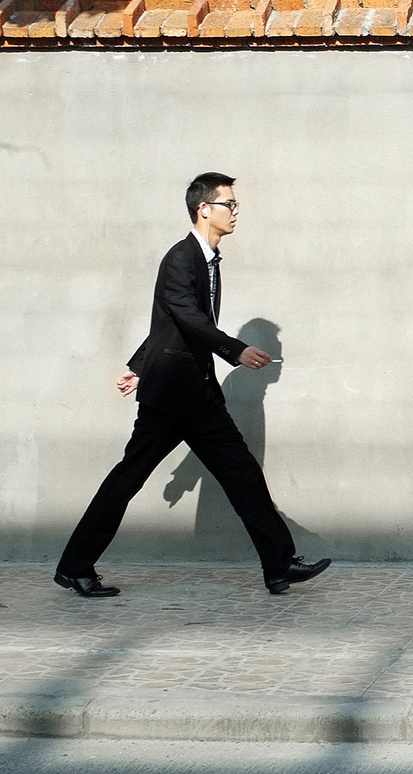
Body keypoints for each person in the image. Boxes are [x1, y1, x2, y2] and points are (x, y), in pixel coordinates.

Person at [55, 172, 330, 597]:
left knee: (243, 474)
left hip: (199, 395)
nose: (235, 212)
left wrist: (139, 365)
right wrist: (236, 350)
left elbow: (170, 325)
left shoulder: (207, 261)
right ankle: (75, 567)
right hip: (170, 397)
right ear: (204, 209)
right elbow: (187, 318)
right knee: (128, 479)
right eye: (228, 204)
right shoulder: (181, 259)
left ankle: (279, 565)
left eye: (235, 205)